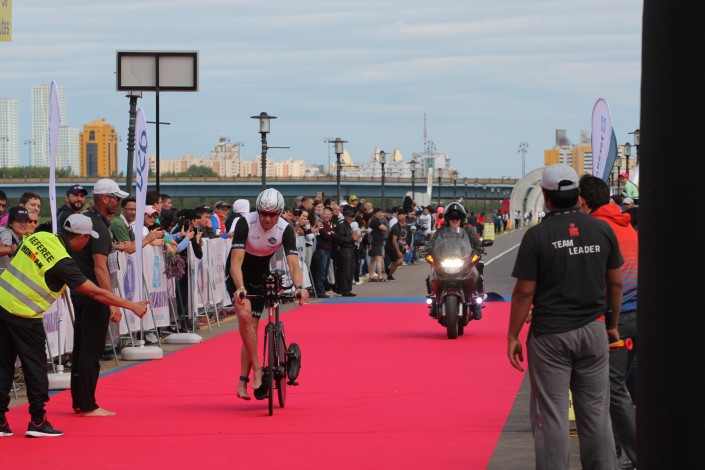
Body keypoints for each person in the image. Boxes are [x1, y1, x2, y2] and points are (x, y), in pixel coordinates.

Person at [507, 163, 624, 469]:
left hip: (550, 336)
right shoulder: (602, 230)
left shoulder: (537, 236)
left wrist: (512, 335)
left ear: (545, 197)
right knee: (596, 413)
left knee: (551, 415)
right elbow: (616, 283)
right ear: (578, 194)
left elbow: (524, 293)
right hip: (594, 331)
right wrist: (612, 326)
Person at [0, 214, 149, 438]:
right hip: (24, 315)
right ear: (81, 237)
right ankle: (38, 421)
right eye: (88, 238)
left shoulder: (39, 236)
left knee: (3, 365)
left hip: (2, 304)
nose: (88, 243)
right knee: (36, 369)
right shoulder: (63, 262)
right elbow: (95, 292)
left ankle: (1, 422)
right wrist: (131, 305)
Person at [225, 188, 308, 400]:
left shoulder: (284, 229)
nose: (267, 219)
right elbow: (236, 263)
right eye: (263, 213)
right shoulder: (245, 222)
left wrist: (299, 287)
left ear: (280, 213)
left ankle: (242, 383)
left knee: (252, 328)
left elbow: (293, 264)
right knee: (244, 317)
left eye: (272, 214)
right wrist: (240, 288)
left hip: (261, 274)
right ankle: (257, 370)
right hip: (239, 273)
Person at [578, 174, 638, 469]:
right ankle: (612, 453)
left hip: (617, 317)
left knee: (612, 388)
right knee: (620, 386)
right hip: (639, 315)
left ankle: (638, 456)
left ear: (583, 200)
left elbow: (595, 279)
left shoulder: (596, 229)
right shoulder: (626, 224)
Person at [70, 178, 129, 417]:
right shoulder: (99, 228)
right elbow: (100, 267)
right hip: (94, 294)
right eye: (116, 198)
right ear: (105, 198)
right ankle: (88, 404)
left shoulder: (87, 221)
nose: (119, 202)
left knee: (81, 348)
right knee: (91, 350)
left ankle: (79, 401)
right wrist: (111, 301)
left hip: (80, 291)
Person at [425, 202, 485, 318]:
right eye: (452, 218)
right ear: (447, 219)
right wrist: (426, 248)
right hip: (444, 258)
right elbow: (432, 242)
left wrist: (480, 248)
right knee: (432, 273)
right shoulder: (441, 230)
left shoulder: (468, 229)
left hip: (464, 258)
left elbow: (477, 242)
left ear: (461, 219)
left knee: (479, 267)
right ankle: (434, 301)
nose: (454, 220)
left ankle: (476, 303)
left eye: (457, 218)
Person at [334, 209, 358, 296]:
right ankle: (344, 289)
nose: (351, 218)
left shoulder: (348, 225)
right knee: (345, 270)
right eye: (350, 216)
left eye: (352, 216)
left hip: (350, 248)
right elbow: (340, 239)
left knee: (350, 270)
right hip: (344, 249)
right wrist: (352, 238)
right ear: (345, 217)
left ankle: (347, 289)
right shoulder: (342, 225)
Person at [367, 208, 388, 282]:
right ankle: (380, 277)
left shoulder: (371, 220)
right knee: (379, 259)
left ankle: (370, 277)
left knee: (372, 260)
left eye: (380, 212)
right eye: (378, 213)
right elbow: (384, 228)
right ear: (374, 214)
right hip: (376, 242)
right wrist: (384, 229)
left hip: (372, 242)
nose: (380, 214)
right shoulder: (375, 221)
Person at [384, 213, 406, 281]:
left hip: (391, 246)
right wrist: (398, 251)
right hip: (391, 247)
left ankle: (389, 269)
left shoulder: (398, 226)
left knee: (400, 261)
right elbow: (394, 240)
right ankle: (389, 275)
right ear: (403, 220)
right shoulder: (396, 228)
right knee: (399, 261)